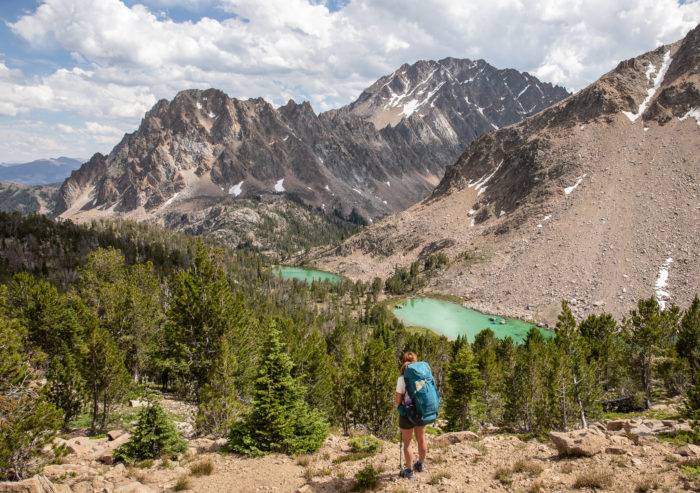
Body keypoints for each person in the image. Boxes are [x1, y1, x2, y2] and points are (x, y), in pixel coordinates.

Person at [395, 351, 428, 479]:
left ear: (404, 362)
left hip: (407, 414)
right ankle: (420, 464)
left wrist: (402, 402)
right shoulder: (421, 378)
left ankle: (408, 471)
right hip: (420, 413)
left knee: (407, 443)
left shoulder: (402, 378)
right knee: (421, 439)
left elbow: (398, 400)